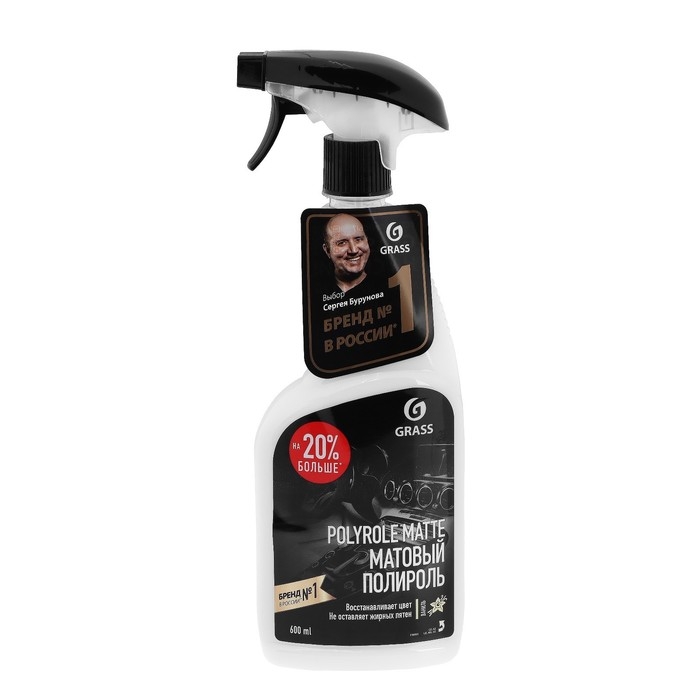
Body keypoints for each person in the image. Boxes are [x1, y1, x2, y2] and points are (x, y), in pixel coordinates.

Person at [322, 213, 371, 293]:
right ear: (327, 250)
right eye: (342, 243)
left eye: (358, 239)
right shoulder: (315, 290)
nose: (354, 250)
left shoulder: (387, 286)